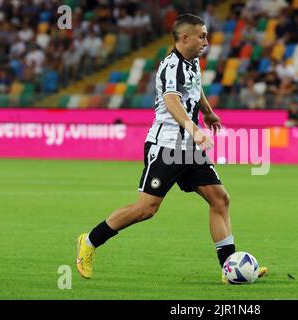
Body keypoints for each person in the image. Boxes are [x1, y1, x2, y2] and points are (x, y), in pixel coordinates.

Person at [75, 13, 267, 284]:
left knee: (220, 199)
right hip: (167, 146)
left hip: (189, 147)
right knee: (146, 209)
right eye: (201, 36)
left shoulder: (192, 63)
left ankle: (229, 268)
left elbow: (195, 90)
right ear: (184, 37)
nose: (206, 41)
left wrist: (208, 113)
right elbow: (172, 100)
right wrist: (194, 129)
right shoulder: (170, 66)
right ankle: (89, 241)